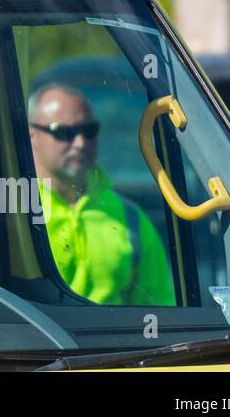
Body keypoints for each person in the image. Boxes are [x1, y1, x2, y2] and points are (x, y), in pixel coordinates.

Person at [27, 82, 175, 306]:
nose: (80, 143)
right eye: (64, 133)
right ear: (31, 134)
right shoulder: (15, 211)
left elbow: (161, 313)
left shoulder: (131, 218)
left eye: (89, 131)